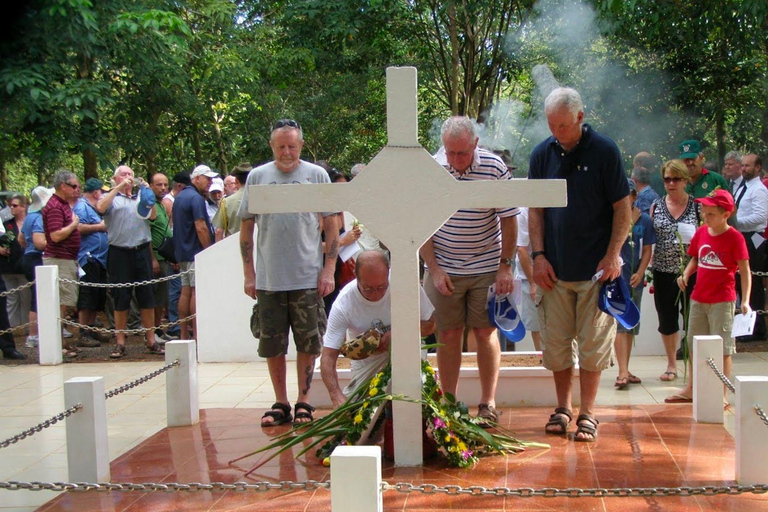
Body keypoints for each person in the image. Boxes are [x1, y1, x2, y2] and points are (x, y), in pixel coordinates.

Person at [529, 87, 631, 442]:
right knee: (556, 346)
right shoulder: (541, 154)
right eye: (551, 125)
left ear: (580, 118)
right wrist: (537, 257)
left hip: (596, 272)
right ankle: (562, 408)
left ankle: (588, 413)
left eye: (563, 125)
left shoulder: (605, 151)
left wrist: (612, 254)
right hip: (553, 272)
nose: (557, 132)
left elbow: (623, 208)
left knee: (592, 346)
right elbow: (535, 210)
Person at [239, 119, 339, 426]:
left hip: (307, 275)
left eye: (292, 146)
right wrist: (249, 274)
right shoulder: (257, 176)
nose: (286, 152)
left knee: (308, 342)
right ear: (271, 146)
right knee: (272, 343)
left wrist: (328, 271)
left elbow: (333, 226)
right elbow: (246, 231)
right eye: (280, 146)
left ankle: (304, 401)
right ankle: (280, 401)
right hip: (270, 278)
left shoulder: (316, 175)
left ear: (301, 146)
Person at [420, 115, 519, 425]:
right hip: (442, 266)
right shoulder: (432, 170)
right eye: (450, 152)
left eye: (462, 153)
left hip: (487, 265)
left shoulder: (494, 168)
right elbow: (421, 224)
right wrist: (434, 269)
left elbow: (509, 219)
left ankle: (488, 403)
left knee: (486, 332)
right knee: (446, 334)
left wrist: (505, 267)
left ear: (476, 144)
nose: (455, 160)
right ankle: (448, 402)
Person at [320, 250, 436, 409]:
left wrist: (400, 333)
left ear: (388, 272)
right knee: (356, 417)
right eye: (368, 288)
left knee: (411, 398)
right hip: (367, 365)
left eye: (382, 287)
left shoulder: (405, 283)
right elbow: (328, 356)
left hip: (407, 357)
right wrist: (336, 395)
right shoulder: (344, 303)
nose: (376, 294)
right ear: (356, 276)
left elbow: (430, 324)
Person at [665, 190, 750, 404]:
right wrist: (685, 274)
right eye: (705, 212)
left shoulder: (735, 238)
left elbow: (745, 270)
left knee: (723, 348)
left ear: (725, 215)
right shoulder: (702, 232)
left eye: (711, 214)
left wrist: (746, 300)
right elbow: (696, 258)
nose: (705, 217)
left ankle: (722, 393)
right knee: (695, 344)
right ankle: (692, 388)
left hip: (722, 299)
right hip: (699, 297)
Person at [97, 165, 163, 359]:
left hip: (141, 251)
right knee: (121, 297)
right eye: (124, 175)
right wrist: (117, 189)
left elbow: (152, 216)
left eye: (131, 175)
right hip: (119, 253)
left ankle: (151, 339)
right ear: (115, 178)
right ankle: (120, 341)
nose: (128, 178)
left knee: (147, 296)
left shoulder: (140, 198)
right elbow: (100, 208)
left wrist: (147, 194)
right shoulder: (112, 199)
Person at [650, 159, 700, 380]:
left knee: (693, 319)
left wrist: (688, 271)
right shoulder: (656, 206)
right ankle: (671, 364)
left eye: (676, 179)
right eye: (667, 179)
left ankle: (694, 364)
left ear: (685, 180)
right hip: (663, 271)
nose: (671, 183)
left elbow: (705, 241)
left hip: (693, 271)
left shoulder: (698, 207)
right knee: (667, 319)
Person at [614, 179, 655, 389]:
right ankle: (621, 371)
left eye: (629, 194)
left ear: (634, 196)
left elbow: (647, 249)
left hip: (634, 280)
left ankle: (625, 368)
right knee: (619, 324)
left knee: (630, 325)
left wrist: (640, 272)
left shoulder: (645, 220)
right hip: (615, 280)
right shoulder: (612, 217)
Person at [173, 164, 217, 340]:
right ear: (197, 178)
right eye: (207, 179)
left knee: (185, 291)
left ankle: (184, 335)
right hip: (195, 253)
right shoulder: (196, 198)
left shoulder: (180, 197)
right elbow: (201, 227)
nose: (210, 182)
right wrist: (209, 252)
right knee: (194, 291)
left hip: (182, 253)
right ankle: (198, 336)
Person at [41, 170, 81, 351]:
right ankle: (57, 345)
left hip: (67, 259)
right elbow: (55, 236)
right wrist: (74, 224)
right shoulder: (55, 206)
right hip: (58, 259)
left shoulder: (62, 204)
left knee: (65, 303)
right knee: (60, 304)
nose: (76, 189)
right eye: (73, 186)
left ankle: (60, 342)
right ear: (62, 186)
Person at [732, 153, 768, 341]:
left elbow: (761, 217)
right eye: (743, 165)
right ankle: (747, 325)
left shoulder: (759, 190)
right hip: (741, 236)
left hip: (753, 238)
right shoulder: (741, 188)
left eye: (748, 166)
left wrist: (736, 223)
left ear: (757, 168)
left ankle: (758, 327)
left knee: (751, 282)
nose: (744, 168)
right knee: (740, 282)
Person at [72, 178, 110, 348]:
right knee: (87, 295)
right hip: (88, 258)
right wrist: (99, 227)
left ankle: (91, 327)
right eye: (102, 192)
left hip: (100, 259)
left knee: (97, 296)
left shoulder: (95, 209)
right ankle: (83, 332)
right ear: (96, 193)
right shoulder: (82, 207)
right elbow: (78, 228)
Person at [18, 186, 53, 350]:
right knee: (38, 297)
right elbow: (39, 242)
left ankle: (43, 331)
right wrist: (54, 243)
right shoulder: (38, 217)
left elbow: (21, 238)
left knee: (38, 295)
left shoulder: (29, 216)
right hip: (36, 259)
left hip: (28, 256)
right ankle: (33, 335)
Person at [148, 172, 176, 343]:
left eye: (165, 184)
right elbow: (146, 233)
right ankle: (153, 332)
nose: (163, 188)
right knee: (155, 297)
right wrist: (152, 259)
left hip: (165, 257)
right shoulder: (149, 206)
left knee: (162, 297)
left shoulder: (161, 205)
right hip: (155, 257)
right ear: (151, 186)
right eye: (159, 184)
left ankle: (158, 328)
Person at [0, 193, 31, 328]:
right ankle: (12, 328)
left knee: (26, 298)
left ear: (24, 207)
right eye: (10, 205)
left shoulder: (31, 222)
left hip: (25, 266)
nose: (11, 208)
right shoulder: (6, 224)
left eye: (15, 205)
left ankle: (26, 327)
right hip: (8, 266)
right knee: (11, 298)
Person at [213, 162, 251, 241]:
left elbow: (219, 232)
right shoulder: (262, 198)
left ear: (236, 181)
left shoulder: (226, 202)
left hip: (233, 246)